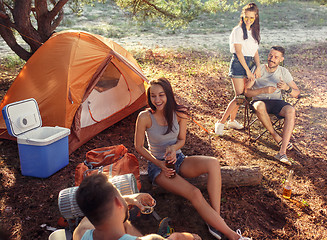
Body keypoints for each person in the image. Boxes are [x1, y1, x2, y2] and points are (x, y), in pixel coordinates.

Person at [134, 78, 250, 240]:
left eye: (161, 95)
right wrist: (160, 163)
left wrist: (173, 149)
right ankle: (234, 237)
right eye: (153, 96)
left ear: (168, 94)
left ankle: (215, 219)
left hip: (179, 159)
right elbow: (139, 146)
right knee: (194, 193)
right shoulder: (145, 117)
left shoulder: (180, 113)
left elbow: (181, 139)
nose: (157, 100)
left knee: (213, 163)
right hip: (159, 167)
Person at [73, 173, 200, 240]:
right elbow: (178, 237)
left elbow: (91, 214)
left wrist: (129, 199)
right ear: (117, 202)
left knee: (121, 223)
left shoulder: (80, 234)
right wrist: (192, 237)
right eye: (120, 194)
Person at [245, 46, 300, 165]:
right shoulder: (258, 69)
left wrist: (287, 88)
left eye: (276, 57)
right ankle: (276, 136)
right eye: (270, 56)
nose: (272, 59)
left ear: (281, 59)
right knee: (259, 106)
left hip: (276, 102)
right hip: (259, 101)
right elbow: (246, 92)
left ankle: (282, 152)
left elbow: (296, 93)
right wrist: (263, 90)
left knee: (291, 110)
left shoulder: (283, 72)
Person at [215, 2, 261, 136]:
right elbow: (239, 52)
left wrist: (257, 67)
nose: (248, 20)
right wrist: (247, 70)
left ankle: (232, 121)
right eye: (246, 17)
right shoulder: (238, 30)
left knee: (242, 95)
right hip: (239, 64)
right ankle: (221, 122)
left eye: (251, 18)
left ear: (256, 17)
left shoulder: (254, 31)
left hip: (250, 64)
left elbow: (255, 52)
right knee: (240, 97)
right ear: (242, 16)